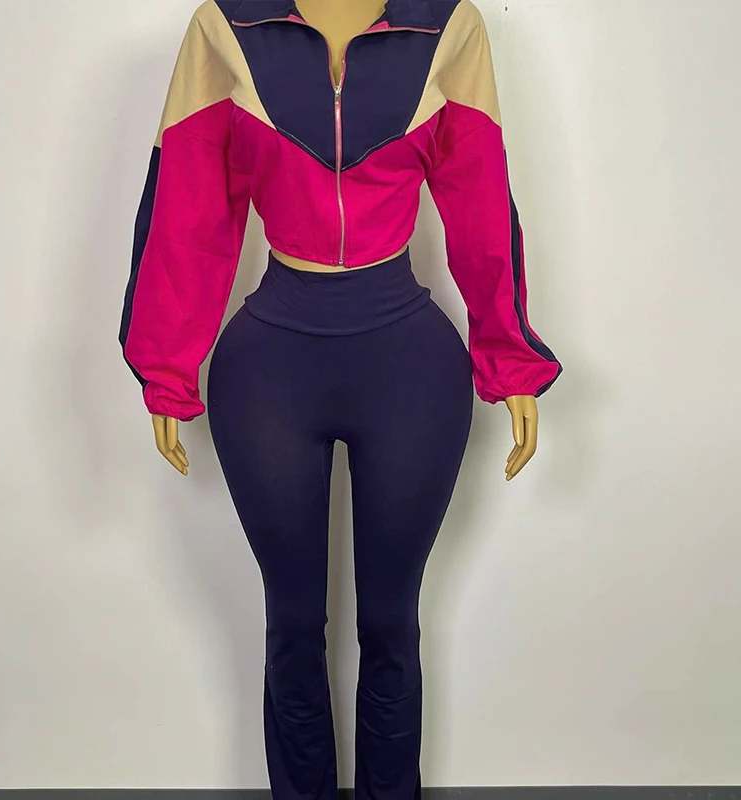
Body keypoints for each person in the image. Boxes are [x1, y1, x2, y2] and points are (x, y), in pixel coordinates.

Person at [119, 1, 562, 798]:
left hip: (409, 368)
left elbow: (481, 198)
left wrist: (510, 356)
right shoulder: (226, 25)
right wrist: (167, 363)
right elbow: (187, 199)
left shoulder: (445, 24)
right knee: (292, 625)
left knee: (391, 624)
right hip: (269, 370)